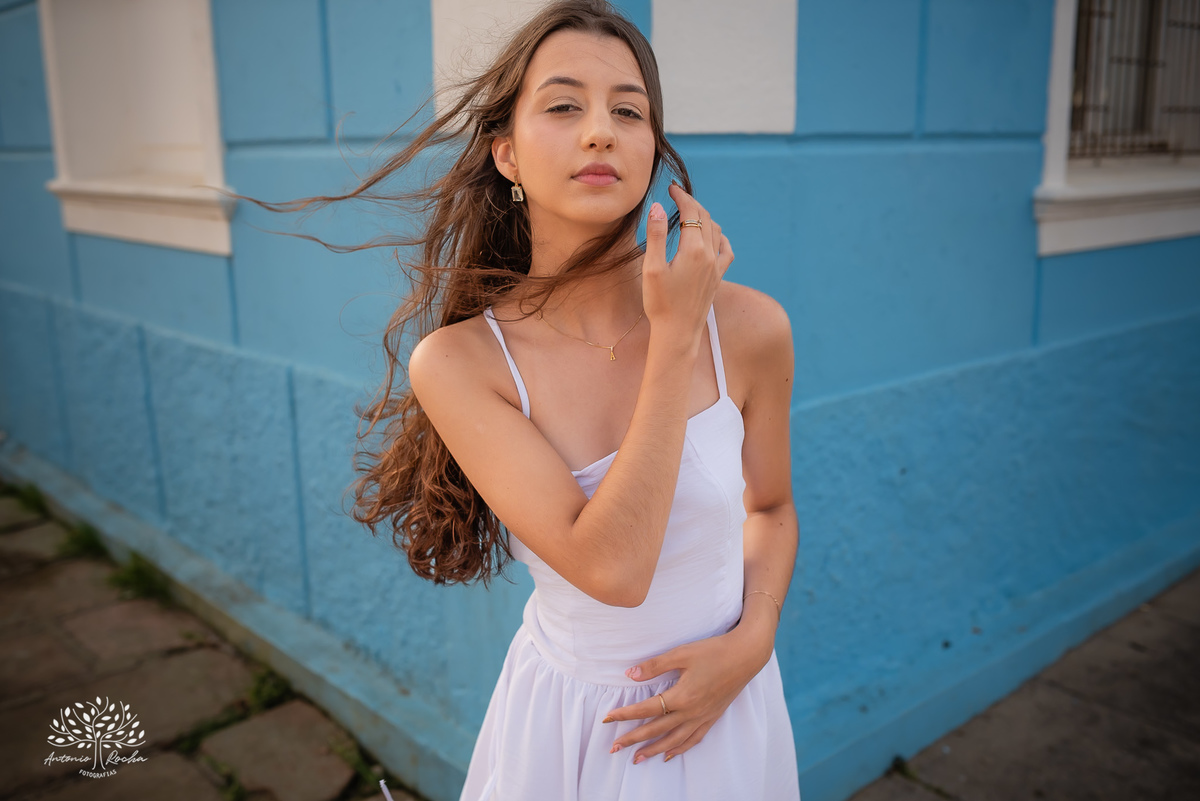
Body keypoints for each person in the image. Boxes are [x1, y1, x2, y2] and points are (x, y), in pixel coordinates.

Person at [239, 1, 800, 798]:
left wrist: (753, 639)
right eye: (564, 105)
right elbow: (614, 570)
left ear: (653, 151)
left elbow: (771, 510)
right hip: (573, 732)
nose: (600, 131)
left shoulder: (750, 328)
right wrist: (672, 346)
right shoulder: (464, 364)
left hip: (731, 707)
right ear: (505, 151)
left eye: (628, 111)